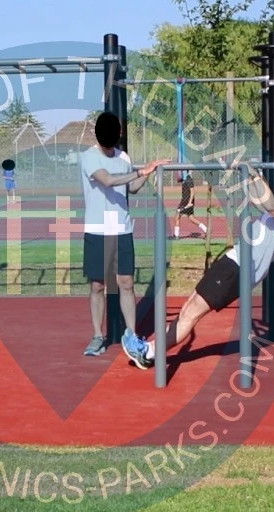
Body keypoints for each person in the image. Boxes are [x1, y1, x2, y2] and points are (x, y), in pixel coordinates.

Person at [122, 167, 274, 369]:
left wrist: (254, 176)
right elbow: (259, 200)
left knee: (190, 313)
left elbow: (269, 203)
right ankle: (150, 349)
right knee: (189, 308)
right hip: (236, 266)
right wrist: (249, 178)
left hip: (237, 268)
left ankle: (148, 352)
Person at [80, 111, 169, 356]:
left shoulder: (124, 157)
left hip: (121, 228)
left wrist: (148, 172)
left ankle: (131, 333)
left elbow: (132, 188)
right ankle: (98, 336)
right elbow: (107, 181)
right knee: (98, 285)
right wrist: (141, 171)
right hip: (98, 230)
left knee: (126, 283)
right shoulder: (89, 157)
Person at [172, 173, 209, 239]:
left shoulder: (188, 180)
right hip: (185, 201)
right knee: (191, 218)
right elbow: (178, 179)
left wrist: (189, 203)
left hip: (186, 202)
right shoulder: (184, 179)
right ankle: (206, 230)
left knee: (177, 217)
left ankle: (176, 235)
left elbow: (192, 192)